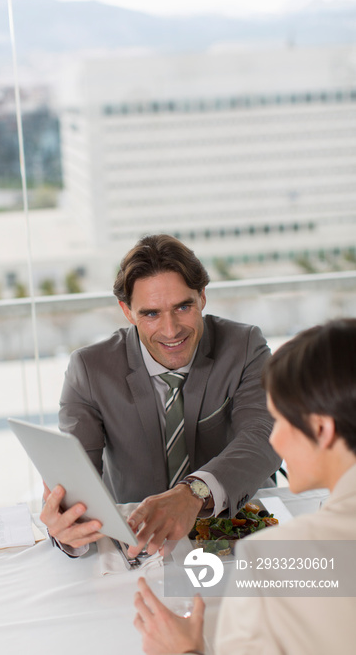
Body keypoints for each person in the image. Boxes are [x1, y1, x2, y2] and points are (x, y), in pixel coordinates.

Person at [41, 234, 280, 557]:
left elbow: (264, 436)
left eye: (183, 307)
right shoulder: (90, 368)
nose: (171, 330)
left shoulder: (245, 345)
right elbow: (75, 476)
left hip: (235, 523)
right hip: (140, 538)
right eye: (151, 313)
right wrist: (69, 530)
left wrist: (194, 492)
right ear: (127, 311)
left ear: (202, 298)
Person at [134, 318, 356, 655]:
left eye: (282, 420)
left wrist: (185, 650)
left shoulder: (271, 560)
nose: (275, 439)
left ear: (323, 430)